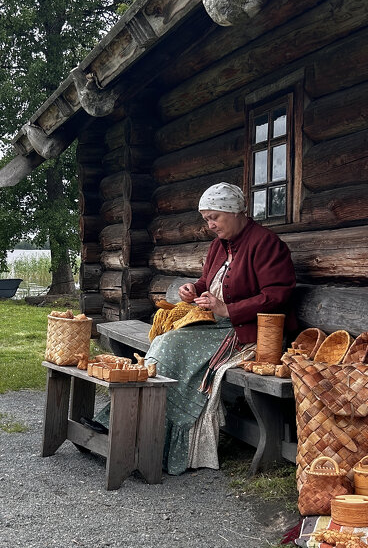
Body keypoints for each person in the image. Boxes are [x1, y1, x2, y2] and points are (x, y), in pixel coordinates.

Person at [98, 182, 295, 475]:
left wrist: (228, 309)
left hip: (248, 331)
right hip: (217, 324)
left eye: (215, 217)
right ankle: (124, 426)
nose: (211, 225)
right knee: (164, 344)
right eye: (206, 219)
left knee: (168, 346)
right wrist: (192, 290)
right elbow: (207, 283)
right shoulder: (219, 245)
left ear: (236, 211)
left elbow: (278, 295)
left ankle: (149, 436)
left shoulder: (266, 243)